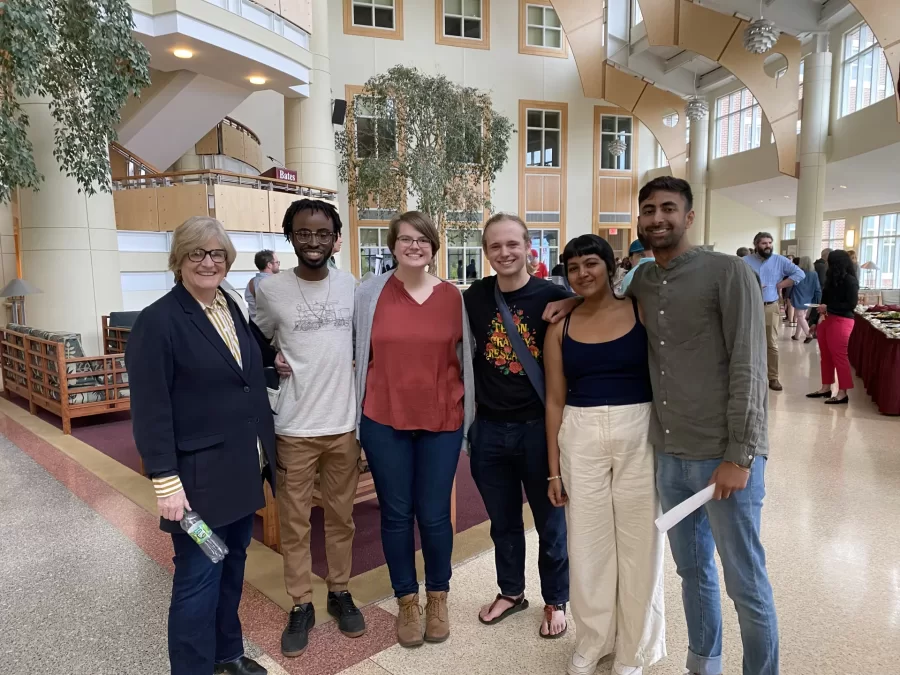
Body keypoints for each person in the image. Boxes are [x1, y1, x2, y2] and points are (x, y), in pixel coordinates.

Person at [545, 177, 781, 675]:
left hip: (724, 456)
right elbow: (601, 295)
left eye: (668, 209)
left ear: (688, 216)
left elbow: (749, 366)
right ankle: (704, 664)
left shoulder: (728, 271)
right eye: (648, 210)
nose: (658, 218)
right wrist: (570, 301)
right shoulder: (644, 282)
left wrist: (741, 454)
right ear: (639, 221)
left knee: (745, 581)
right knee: (692, 572)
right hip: (670, 455)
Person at [127, 216, 276, 675]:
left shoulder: (230, 307)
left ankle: (227, 656)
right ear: (178, 260)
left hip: (241, 473)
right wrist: (166, 484)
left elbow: (243, 377)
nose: (208, 262)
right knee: (197, 582)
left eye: (217, 254)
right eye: (197, 253)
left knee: (231, 574)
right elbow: (151, 411)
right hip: (196, 488)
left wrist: (275, 367)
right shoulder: (159, 322)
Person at [544, 234, 665, 675]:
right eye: (574, 268)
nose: (583, 274)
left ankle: (634, 649)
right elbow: (554, 401)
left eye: (591, 264)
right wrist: (552, 473)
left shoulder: (640, 310)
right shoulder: (561, 326)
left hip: (639, 430)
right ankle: (593, 640)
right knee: (588, 544)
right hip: (580, 433)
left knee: (640, 544)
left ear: (611, 266)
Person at [355, 211, 475, 648]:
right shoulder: (369, 294)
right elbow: (348, 345)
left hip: (441, 419)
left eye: (422, 239)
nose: (413, 246)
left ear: (433, 246)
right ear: (391, 246)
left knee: (435, 513)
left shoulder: (454, 297)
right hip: (383, 418)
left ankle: (437, 595)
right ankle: (407, 598)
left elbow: (470, 357)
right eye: (404, 239)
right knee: (396, 513)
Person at [254, 199, 365, 658]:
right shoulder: (271, 290)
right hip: (294, 427)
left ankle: (339, 591)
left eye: (322, 233)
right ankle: (301, 603)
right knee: (295, 524)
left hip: (344, 425)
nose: (313, 241)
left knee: (342, 518)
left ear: (335, 237)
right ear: (290, 237)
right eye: (303, 233)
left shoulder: (354, 287)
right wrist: (268, 363)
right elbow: (253, 340)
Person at [463, 213, 577, 641]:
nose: (504, 253)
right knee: (503, 522)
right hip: (490, 430)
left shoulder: (554, 294)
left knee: (551, 522)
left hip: (538, 430)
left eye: (513, 244)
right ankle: (511, 592)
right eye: (495, 246)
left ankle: (556, 598)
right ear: (486, 251)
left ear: (529, 247)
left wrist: (574, 301)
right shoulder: (475, 296)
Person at [742, 232, 804, 391]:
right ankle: (751, 376)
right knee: (749, 342)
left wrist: (781, 284)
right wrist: (751, 285)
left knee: (771, 343)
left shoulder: (780, 260)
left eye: (770, 242)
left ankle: (773, 377)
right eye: (764, 243)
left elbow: (800, 274)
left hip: (770, 306)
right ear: (756, 244)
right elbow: (735, 279)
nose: (768, 246)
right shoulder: (745, 261)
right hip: (750, 306)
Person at [807, 249, 859, 405]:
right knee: (826, 357)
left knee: (840, 357)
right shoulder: (830, 279)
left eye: (830, 261)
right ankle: (825, 388)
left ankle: (843, 392)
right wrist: (814, 321)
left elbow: (851, 305)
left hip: (842, 321)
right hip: (827, 320)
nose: (827, 264)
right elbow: (822, 301)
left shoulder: (850, 280)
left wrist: (828, 308)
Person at [791, 256, 821, 343]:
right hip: (809, 298)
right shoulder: (814, 273)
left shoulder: (798, 273)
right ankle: (797, 335)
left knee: (800, 316)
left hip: (799, 297)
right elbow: (817, 288)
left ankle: (809, 334)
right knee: (802, 317)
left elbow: (793, 284)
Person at [245, 249, 280, 319]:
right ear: (269, 265)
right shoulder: (275, 282)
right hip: (272, 327)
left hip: (255, 326)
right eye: (277, 262)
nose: (279, 265)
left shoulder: (251, 283)